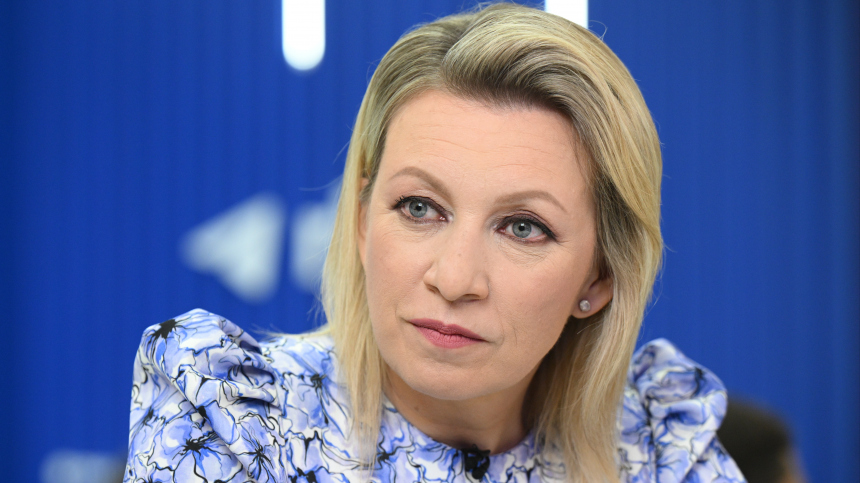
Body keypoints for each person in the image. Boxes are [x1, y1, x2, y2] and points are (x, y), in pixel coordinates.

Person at [124, 3, 745, 482]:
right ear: (362, 220)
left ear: (599, 277)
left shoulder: (658, 450)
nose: (453, 278)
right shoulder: (236, 419)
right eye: (419, 208)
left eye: (523, 227)